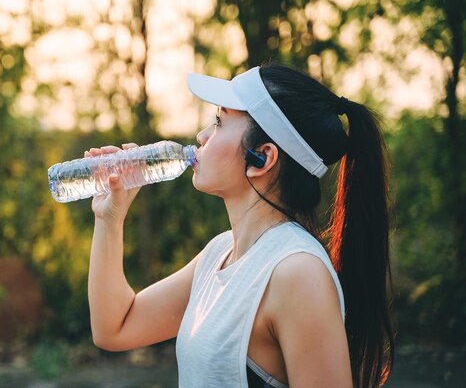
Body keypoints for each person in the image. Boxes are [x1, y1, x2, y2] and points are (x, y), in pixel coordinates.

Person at [84, 63, 395, 388]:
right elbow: (115, 328)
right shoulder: (219, 254)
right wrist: (109, 219)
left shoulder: (297, 274)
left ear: (262, 157)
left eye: (219, 122)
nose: (201, 136)